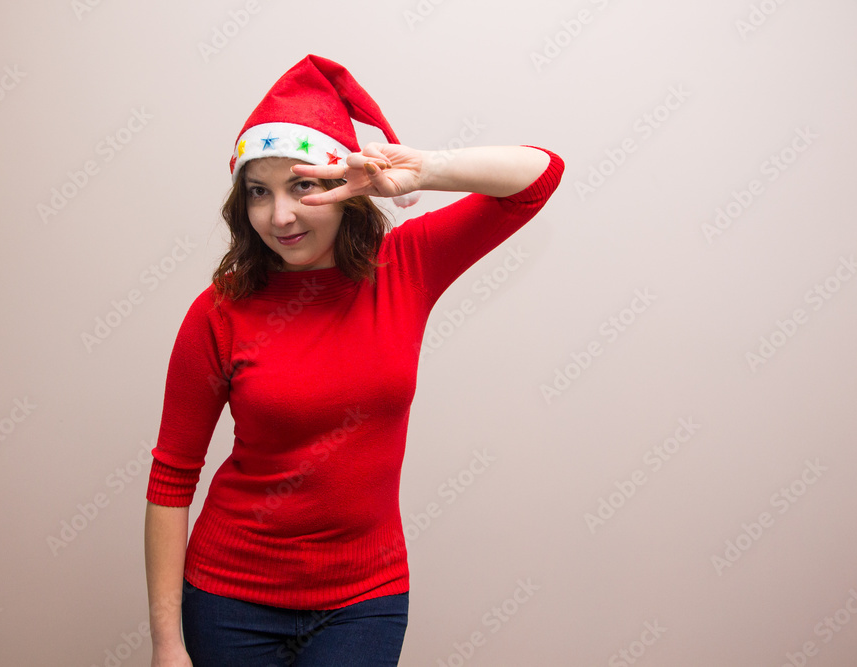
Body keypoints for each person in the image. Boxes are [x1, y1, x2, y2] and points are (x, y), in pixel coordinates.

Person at [144, 54, 564, 667]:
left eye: (303, 185)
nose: (278, 215)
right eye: (258, 191)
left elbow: (539, 176)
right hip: (228, 597)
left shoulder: (406, 267)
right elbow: (171, 477)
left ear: (346, 186)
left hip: (364, 598)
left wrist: (418, 168)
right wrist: (167, 644)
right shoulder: (218, 312)